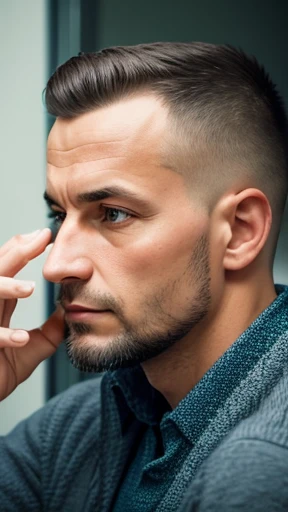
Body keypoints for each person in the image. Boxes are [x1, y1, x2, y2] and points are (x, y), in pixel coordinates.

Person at [0, 41, 288, 512]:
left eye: (112, 214)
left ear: (239, 232)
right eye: (59, 214)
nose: (56, 265)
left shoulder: (261, 469)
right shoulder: (83, 426)